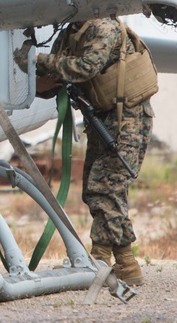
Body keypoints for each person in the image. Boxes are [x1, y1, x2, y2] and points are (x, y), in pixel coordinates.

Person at [27, 16, 155, 286]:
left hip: (128, 118)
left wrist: (35, 59)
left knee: (104, 188)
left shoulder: (103, 26)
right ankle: (126, 264)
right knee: (99, 189)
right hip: (103, 118)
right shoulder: (71, 32)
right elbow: (58, 77)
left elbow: (85, 68)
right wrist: (35, 83)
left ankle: (99, 259)